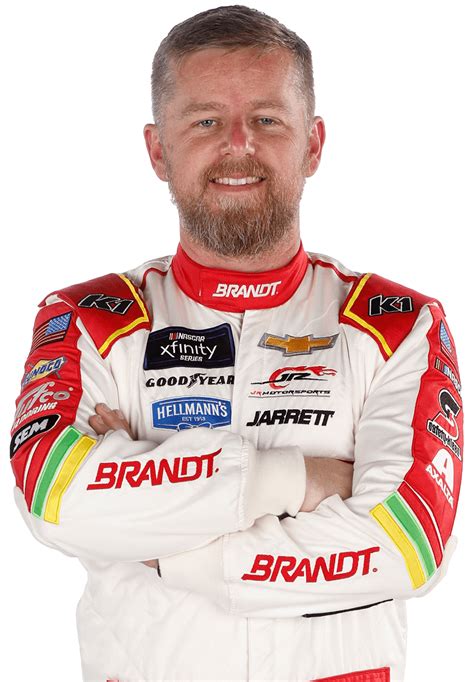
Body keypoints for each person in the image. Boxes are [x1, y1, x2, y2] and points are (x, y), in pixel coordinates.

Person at [10, 5, 463, 682]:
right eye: (205, 122)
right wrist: (299, 481)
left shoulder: (400, 325)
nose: (239, 145)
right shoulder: (87, 321)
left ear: (313, 144)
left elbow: (408, 544)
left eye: (267, 119)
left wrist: (163, 542)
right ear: (157, 150)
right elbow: (54, 495)